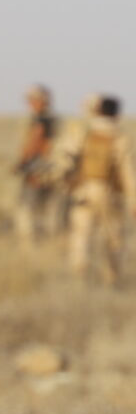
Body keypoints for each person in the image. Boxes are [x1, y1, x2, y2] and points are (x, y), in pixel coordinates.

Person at [58, 94, 135, 285]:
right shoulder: (119, 137)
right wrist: (133, 200)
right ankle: (112, 277)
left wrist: (67, 182)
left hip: (83, 189)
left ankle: (79, 277)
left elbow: (64, 158)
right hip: (109, 193)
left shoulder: (83, 132)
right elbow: (128, 173)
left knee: (81, 235)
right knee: (113, 237)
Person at [13, 84, 61, 243]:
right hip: (54, 168)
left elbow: (37, 141)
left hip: (37, 167)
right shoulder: (55, 118)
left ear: (41, 100)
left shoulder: (40, 119)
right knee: (50, 207)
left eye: (32, 100)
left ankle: (28, 243)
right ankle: (51, 240)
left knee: (26, 207)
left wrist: (22, 162)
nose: (29, 103)